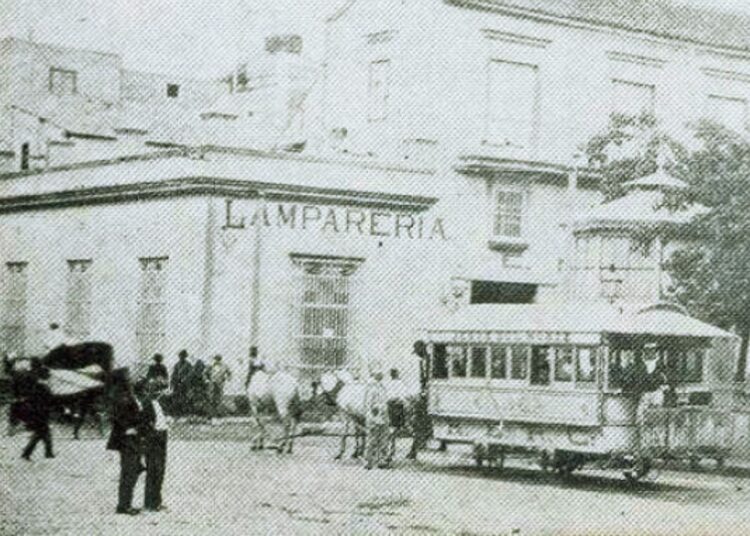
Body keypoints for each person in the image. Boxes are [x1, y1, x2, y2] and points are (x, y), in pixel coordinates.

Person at [106, 368, 144, 515]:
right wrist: (128, 428)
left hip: (132, 437)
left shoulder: (125, 394)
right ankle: (124, 505)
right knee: (129, 471)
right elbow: (117, 416)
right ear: (123, 379)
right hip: (127, 438)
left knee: (133, 469)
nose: (131, 378)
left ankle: (126, 503)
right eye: (129, 376)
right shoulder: (121, 396)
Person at [139, 379, 169, 513]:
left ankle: (156, 501)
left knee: (160, 471)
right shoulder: (146, 403)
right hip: (153, 440)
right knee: (154, 471)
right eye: (159, 390)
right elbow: (144, 424)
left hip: (161, 438)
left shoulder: (157, 403)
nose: (161, 393)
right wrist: (152, 434)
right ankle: (150, 502)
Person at [20, 366, 54, 461]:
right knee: (41, 433)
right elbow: (49, 400)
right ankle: (27, 453)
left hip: (37, 412)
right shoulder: (43, 387)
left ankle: (48, 452)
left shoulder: (36, 386)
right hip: (41, 413)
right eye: (47, 374)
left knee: (43, 433)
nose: (49, 376)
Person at [408, 341, 433, 459]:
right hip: (424, 392)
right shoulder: (424, 360)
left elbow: (427, 378)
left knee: (418, 419)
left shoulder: (428, 360)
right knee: (418, 419)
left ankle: (415, 448)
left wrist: (424, 392)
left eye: (417, 351)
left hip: (428, 393)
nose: (416, 354)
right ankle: (417, 446)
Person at [364, 368, 390, 470]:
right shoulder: (371, 387)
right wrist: (372, 416)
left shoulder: (382, 387)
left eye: (381, 374)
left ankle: (381, 460)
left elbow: (384, 402)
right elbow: (369, 404)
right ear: (375, 375)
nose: (381, 375)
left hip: (383, 417)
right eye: (379, 374)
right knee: (372, 440)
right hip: (374, 417)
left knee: (383, 440)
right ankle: (369, 461)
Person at [206, 355, 231, 421]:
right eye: (216, 359)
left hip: (220, 384)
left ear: (220, 360)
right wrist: (207, 380)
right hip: (212, 384)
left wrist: (228, 378)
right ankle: (210, 416)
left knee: (219, 399)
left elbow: (229, 373)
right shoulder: (210, 366)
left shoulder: (224, 366)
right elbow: (204, 373)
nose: (217, 361)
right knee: (211, 399)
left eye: (218, 359)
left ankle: (219, 416)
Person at [170, 350, 192, 416]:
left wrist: (184, 380)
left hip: (185, 384)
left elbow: (190, 374)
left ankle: (184, 412)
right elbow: (174, 374)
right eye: (180, 356)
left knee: (184, 397)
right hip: (177, 383)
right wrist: (172, 382)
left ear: (185, 356)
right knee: (176, 397)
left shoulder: (188, 364)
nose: (181, 357)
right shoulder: (177, 364)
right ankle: (177, 412)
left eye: (182, 356)